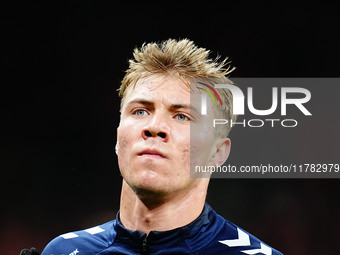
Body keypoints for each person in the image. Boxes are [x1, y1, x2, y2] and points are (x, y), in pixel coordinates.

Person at [39, 39, 283, 254]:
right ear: (117, 138)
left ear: (217, 153)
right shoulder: (64, 251)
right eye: (140, 111)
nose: (154, 126)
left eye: (182, 116)